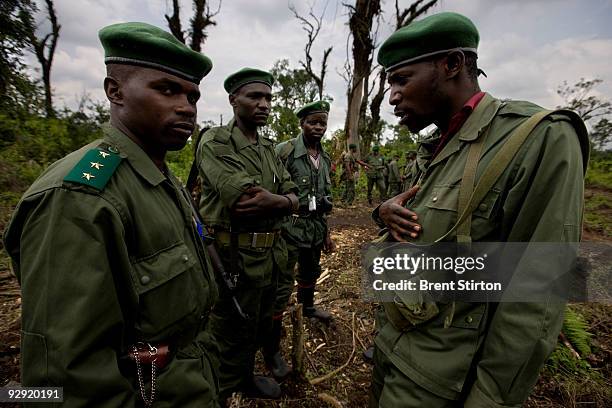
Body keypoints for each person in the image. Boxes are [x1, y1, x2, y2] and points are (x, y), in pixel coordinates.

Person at [369, 11, 589, 407]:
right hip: (396, 345)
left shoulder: (537, 138)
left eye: (402, 79)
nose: (392, 96)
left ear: (452, 64)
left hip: (442, 380)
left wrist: (489, 398)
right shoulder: (440, 144)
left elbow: (538, 287)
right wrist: (383, 212)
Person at [3, 22, 221, 407]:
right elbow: (67, 382)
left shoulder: (159, 178)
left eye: (192, 95)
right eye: (167, 89)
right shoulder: (80, 199)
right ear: (114, 91)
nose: (186, 106)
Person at [196, 67, 299, 401]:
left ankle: (242, 378)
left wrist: (280, 201)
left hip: (270, 257)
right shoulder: (215, 141)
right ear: (233, 100)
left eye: (268, 97)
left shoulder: (269, 147)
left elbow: (293, 192)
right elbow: (243, 201)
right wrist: (285, 202)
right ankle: (220, 392)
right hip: (232, 258)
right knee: (228, 331)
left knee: (256, 327)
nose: (264, 104)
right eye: (255, 96)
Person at [266, 101, 336, 378]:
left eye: (322, 123)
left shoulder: (325, 158)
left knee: (311, 271)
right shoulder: (283, 152)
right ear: (302, 124)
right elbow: (269, 190)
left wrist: (327, 233)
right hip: (289, 230)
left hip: (315, 230)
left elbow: (324, 200)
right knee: (281, 286)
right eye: (313, 122)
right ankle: (271, 348)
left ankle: (307, 307)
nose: (318, 127)